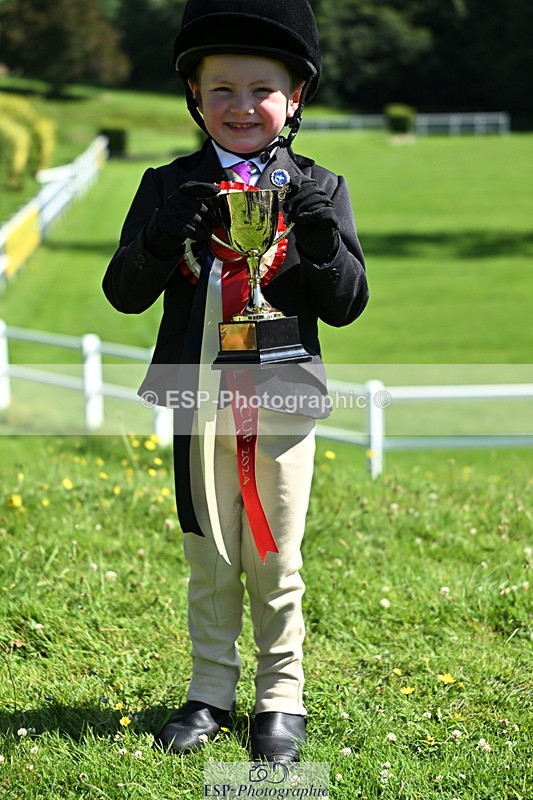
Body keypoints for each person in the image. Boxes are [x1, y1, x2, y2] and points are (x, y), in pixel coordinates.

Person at [103, 0, 368, 762]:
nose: (241, 105)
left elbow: (347, 305)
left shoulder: (321, 185)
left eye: (261, 88)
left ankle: (281, 697)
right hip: (195, 398)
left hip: (282, 400)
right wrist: (158, 240)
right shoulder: (167, 183)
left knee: (274, 551)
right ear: (194, 97)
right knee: (208, 553)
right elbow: (124, 292)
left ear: (294, 99)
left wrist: (320, 244)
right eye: (221, 89)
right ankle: (208, 690)